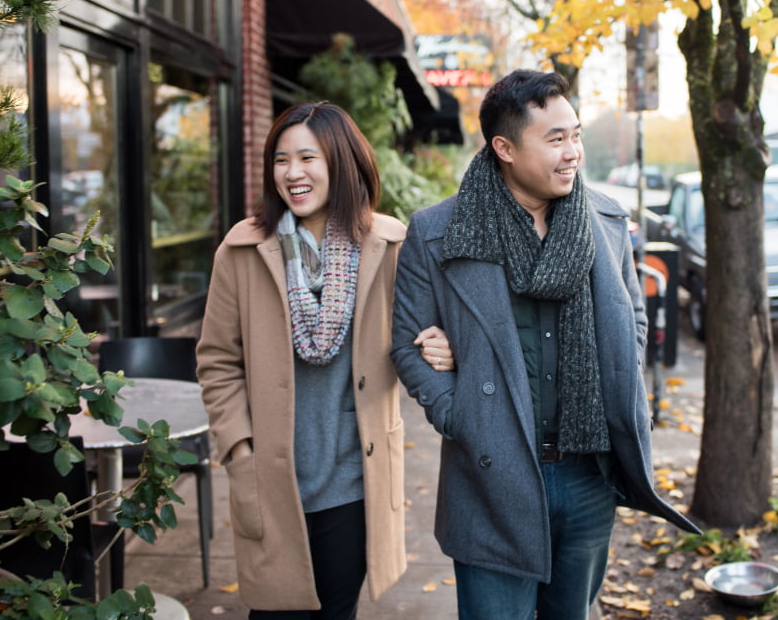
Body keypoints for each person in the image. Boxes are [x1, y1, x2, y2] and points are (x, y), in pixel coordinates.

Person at [389, 70, 699, 620]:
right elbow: (408, 346)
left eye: (575, 135)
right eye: (555, 139)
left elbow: (630, 318)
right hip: (491, 477)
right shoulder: (439, 232)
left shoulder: (602, 220)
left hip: (588, 476)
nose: (572, 152)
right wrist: (460, 413)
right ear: (504, 148)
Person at [196, 102, 453, 619]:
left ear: (340, 160)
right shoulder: (242, 251)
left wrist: (444, 347)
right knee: (273, 613)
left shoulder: (388, 245)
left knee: (337, 612)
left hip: (354, 480)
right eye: (281, 160)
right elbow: (218, 361)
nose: (293, 173)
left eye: (308, 157)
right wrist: (239, 450)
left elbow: (426, 330)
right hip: (271, 478)